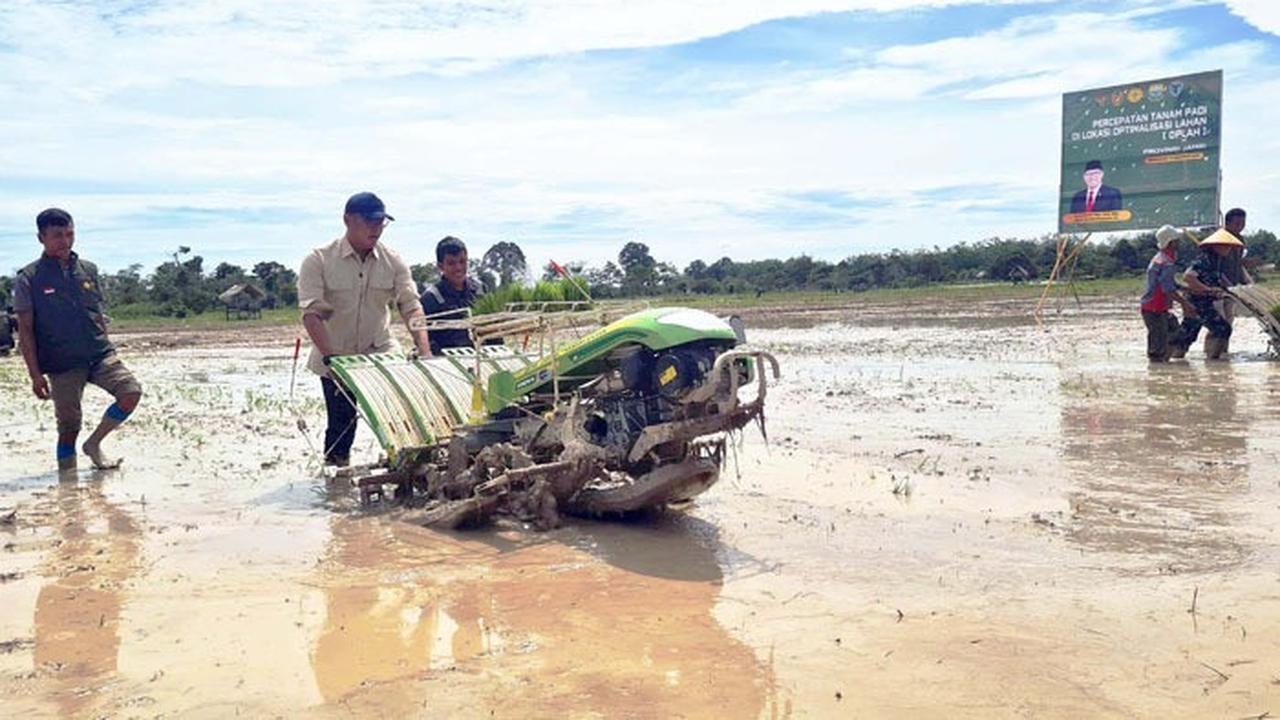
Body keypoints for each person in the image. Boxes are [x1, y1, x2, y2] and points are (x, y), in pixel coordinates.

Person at [298, 192, 432, 467]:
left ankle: (406, 468)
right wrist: (331, 358)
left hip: (380, 349)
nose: (376, 228)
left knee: (401, 412)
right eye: (370, 221)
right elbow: (311, 314)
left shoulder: (393, 260)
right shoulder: (319, 260)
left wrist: (424, 349)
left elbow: (411, 306)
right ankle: (336, 478)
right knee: (342, 425)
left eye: (381, 222)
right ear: (348, 220)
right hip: (335, 354)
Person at [14, 208, 143, 471]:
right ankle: (68, 490)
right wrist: (35, 375)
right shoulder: (28, 278)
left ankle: (94, 444)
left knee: (130, 392)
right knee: (69, 427)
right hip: (61, 362)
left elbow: (96, 314)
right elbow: (25, 330)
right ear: (41, 238)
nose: (65, 241)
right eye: (57, 235)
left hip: (98, 353)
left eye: (70, 234)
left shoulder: (87, 270)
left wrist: (108, 346)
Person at [1173, 228, 1244, 360]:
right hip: (1197, 303)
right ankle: (1213, 360)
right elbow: (1188, 277)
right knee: (1222, 328)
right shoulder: (1204, 260)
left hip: (1205, 303)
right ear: (1216, 246)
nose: (1228, 248)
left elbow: (1218, 277)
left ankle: (1172, 359)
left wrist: (1231, 289)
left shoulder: (1217, 261)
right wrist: (1207, 289)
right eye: (1226, 246)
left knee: (1187, 334)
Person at [1140, 225, 1197, 362]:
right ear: (1171, 242)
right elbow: (1167, 289)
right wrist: (1185, 303)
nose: (1179, 243)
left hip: (1155, 307)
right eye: (1177, 240)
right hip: (1155, 308)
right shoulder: (1166, 262)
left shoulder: (1162, 258)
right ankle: (1158, 369)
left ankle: (1165, 362)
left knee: (1174, 332)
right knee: (1158, 345)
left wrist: (1187, 289)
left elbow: (1169, 283)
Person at [419, 236, 484, 355]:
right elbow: (425, 340)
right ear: (440, 266)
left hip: (482, 358)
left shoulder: (480, 291)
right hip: (448, 364)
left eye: (462, 261)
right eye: (451, 263)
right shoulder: (431, 299)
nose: (458, 268)